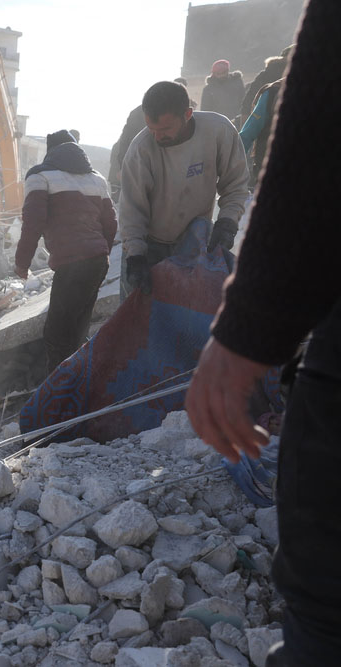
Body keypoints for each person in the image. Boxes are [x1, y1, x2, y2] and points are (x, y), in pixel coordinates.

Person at [185, 2, 338, 663]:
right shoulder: (207, 118)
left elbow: (308, 146)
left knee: (325, 606)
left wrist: (250, 328)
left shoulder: (250, 105)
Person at [118, 81, 249, 298]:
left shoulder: (219, 131)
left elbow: (235, 185)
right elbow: (131, 209)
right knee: (138, 317)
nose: (158, 137)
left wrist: (227, 223)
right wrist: (136, 257)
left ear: (187, 114)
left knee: (188, 312)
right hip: (148, 245)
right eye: (152, 129)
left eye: (166, 129)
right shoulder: (140, 149)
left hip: (195, 243)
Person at [16, 130, 116, 372]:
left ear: (50, 151)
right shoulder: (98, 180)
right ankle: (80, 384)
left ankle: (57, 393)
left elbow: (33, 223)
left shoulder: (40, 176)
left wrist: (22, 263)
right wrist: (101, 252)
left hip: (72, 262)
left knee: (57, 334)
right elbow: (111, 224)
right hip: (98, 260)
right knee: (78, 328)